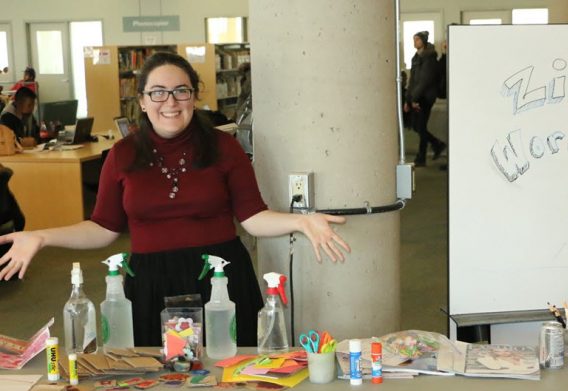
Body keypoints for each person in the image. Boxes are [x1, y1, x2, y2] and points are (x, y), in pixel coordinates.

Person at [0, 52, 350, 346]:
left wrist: (301, 221)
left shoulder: (224, 147)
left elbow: (253, 216)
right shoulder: (121, 154)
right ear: (141, 100)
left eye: (181, 91)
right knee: (158, 380)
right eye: (158, 92)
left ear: (194, 96)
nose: (170, 102)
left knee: (231, 374)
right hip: (151, 283)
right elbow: (102, 228)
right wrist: (43, 236)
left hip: (221, 281)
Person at [404, 31, 446, 167]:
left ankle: (422, 156)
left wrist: (414, 99)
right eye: (413, 39)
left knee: (420, 126)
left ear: (423, 41)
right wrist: (408, 99)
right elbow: (413, 80)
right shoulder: (415, 58)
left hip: (426, 97)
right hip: (417, 97)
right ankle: (436, 144)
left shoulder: (430, 58)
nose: (414, 42)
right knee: (417, 127)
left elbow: (424, 81)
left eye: (417, 40)